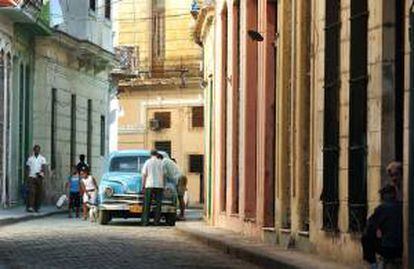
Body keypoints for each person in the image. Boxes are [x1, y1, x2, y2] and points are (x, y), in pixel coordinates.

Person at [361, 184, 402, 269]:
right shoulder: (401, 206)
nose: (381, 198)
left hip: (389, 248)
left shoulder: (382, 208)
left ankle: (373, 265)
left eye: (382, 195)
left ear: (387, 195)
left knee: (365, 238)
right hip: (401, 247)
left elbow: (370, 226)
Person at [141, 150, 164, 226]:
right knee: (158, 205)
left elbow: (144, 174)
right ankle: (156, 222)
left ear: (150, 154)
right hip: (159, 185)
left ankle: (145, 222)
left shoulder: (147, 162)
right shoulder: (161, 162)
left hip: (149, 185)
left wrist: (143, 185)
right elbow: (164, 175)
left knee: (147, 204)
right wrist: (163, 185)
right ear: (157, 154)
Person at [159, 155, 186, 219]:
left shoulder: (163, 162)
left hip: (179, 179)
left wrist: (163, 184)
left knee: (180, 197)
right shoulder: (167, 160)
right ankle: (180, 214)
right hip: (181, 177)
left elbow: (164, 174)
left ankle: (182, 215)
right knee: (179, 197)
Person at [25, 145, 47, 213]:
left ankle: (37, 207)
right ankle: (30, 206)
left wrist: (41, 174)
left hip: (39, 177)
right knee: (32, 192)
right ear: (33, 150)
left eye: (38, 150)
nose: (36, 151)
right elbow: (28, 168)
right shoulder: (30, 159)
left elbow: (43, 168)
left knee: (39, 192)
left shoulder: (42, 159)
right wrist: (27, 177)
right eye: (35, 149)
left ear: (39, 150)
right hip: (32, 177)